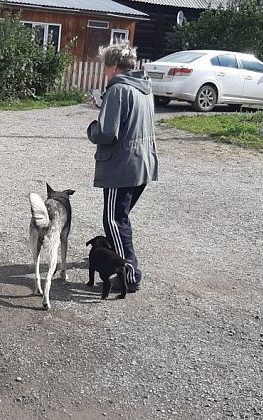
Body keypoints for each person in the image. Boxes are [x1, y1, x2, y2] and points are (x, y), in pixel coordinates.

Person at [86, 41, 159, 292]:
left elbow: (107, 134)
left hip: (121, 166)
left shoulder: (117, 90)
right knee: (121, 218)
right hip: (143, 164)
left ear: (115, 65)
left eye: (106, 65)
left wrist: (93, 127)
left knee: (114, 221)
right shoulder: (143, 88)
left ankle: (129, 274)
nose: (104, 71)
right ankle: (113, 255)